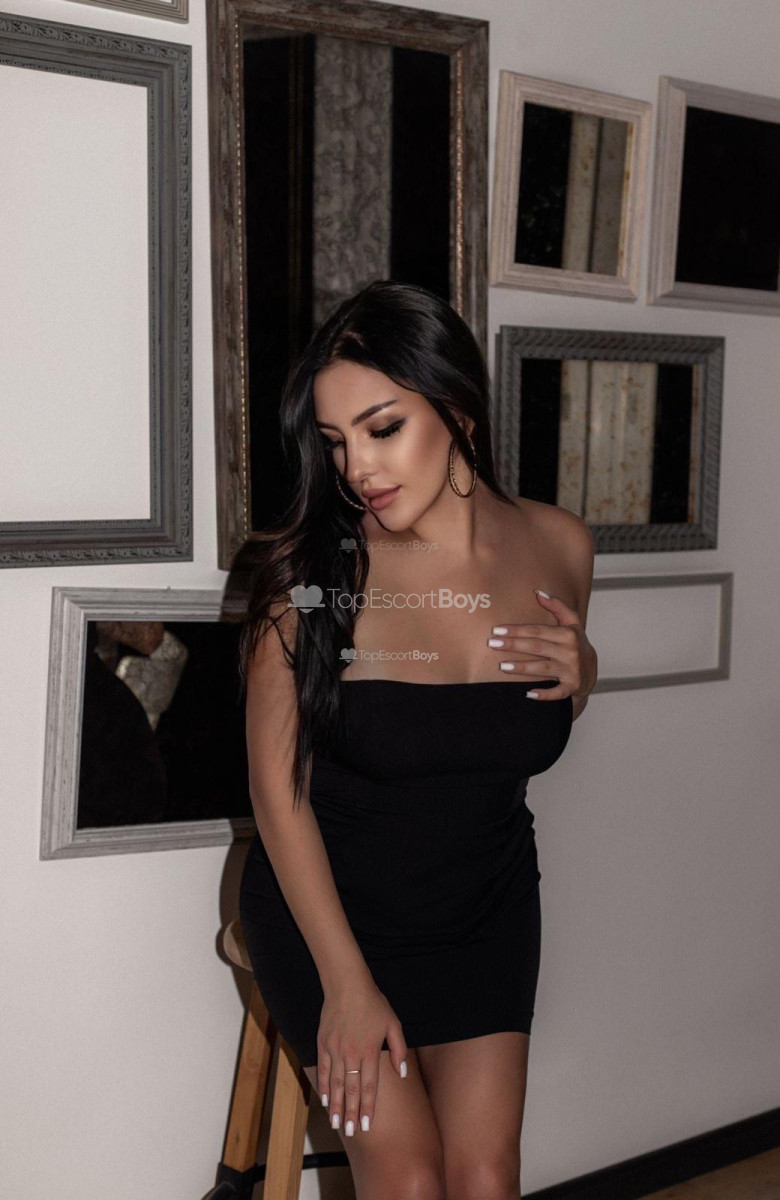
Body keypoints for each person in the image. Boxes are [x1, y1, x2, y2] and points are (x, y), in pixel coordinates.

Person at [237, 279, 597, 1199]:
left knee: (487, 1180)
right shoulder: (310, 579)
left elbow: (509, 725)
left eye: (382, 428)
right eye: (336, 440)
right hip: (329, 916)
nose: (357, 467)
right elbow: (277, 793)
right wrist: (346, 984)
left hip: (484, 905)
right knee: (408, 1181)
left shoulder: (561, 546)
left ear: (457, 409)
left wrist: (584, 674)